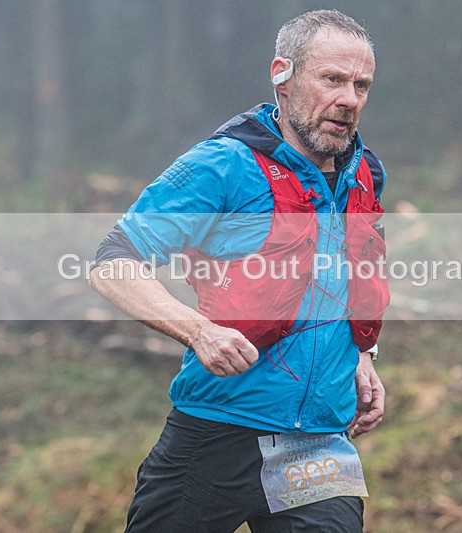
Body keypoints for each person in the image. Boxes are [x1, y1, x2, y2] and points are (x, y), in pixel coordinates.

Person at [90, 9, 389, 532]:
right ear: (283, 75)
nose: (349, 99)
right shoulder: (221, 168)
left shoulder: (364, 173)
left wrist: (362, 353)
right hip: (215, 435)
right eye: (333, 79)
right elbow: (113, 263)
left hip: (317, 443)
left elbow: (346, 279)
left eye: (361, 85)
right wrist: (198, 331)